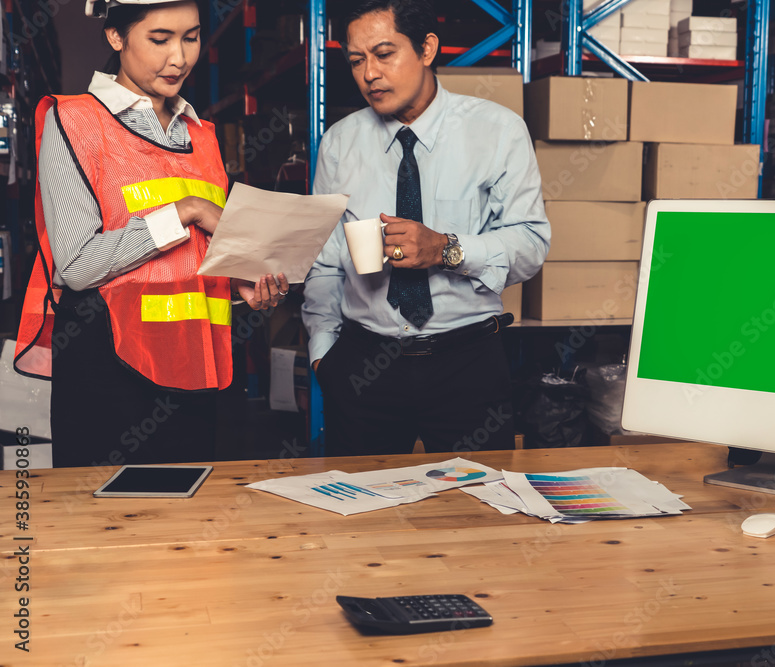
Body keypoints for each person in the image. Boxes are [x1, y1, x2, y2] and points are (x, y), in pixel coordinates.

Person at [14, 0, 289, 468]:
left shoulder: (201, 134)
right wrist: (184, 211)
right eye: (159, 39)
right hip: (109, 366)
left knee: (189, 525)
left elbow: (197, 258)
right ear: (116, 37)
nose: (179, 57)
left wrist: (244, 286)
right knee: (109, 527)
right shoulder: (75, 120)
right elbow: (77, 266)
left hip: (197, 364)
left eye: (191, 37)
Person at [303, 0, 550, 457]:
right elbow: (325, 261)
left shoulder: (498, 131)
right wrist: (324, 354)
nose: (369, 74)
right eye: (356, 61)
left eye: (384, 53)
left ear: (427, 48)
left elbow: (532, 244)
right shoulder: (339, 142)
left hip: (468, 363)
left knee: (478, 512)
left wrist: (445, 250)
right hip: (363, 364)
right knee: (360, 515)